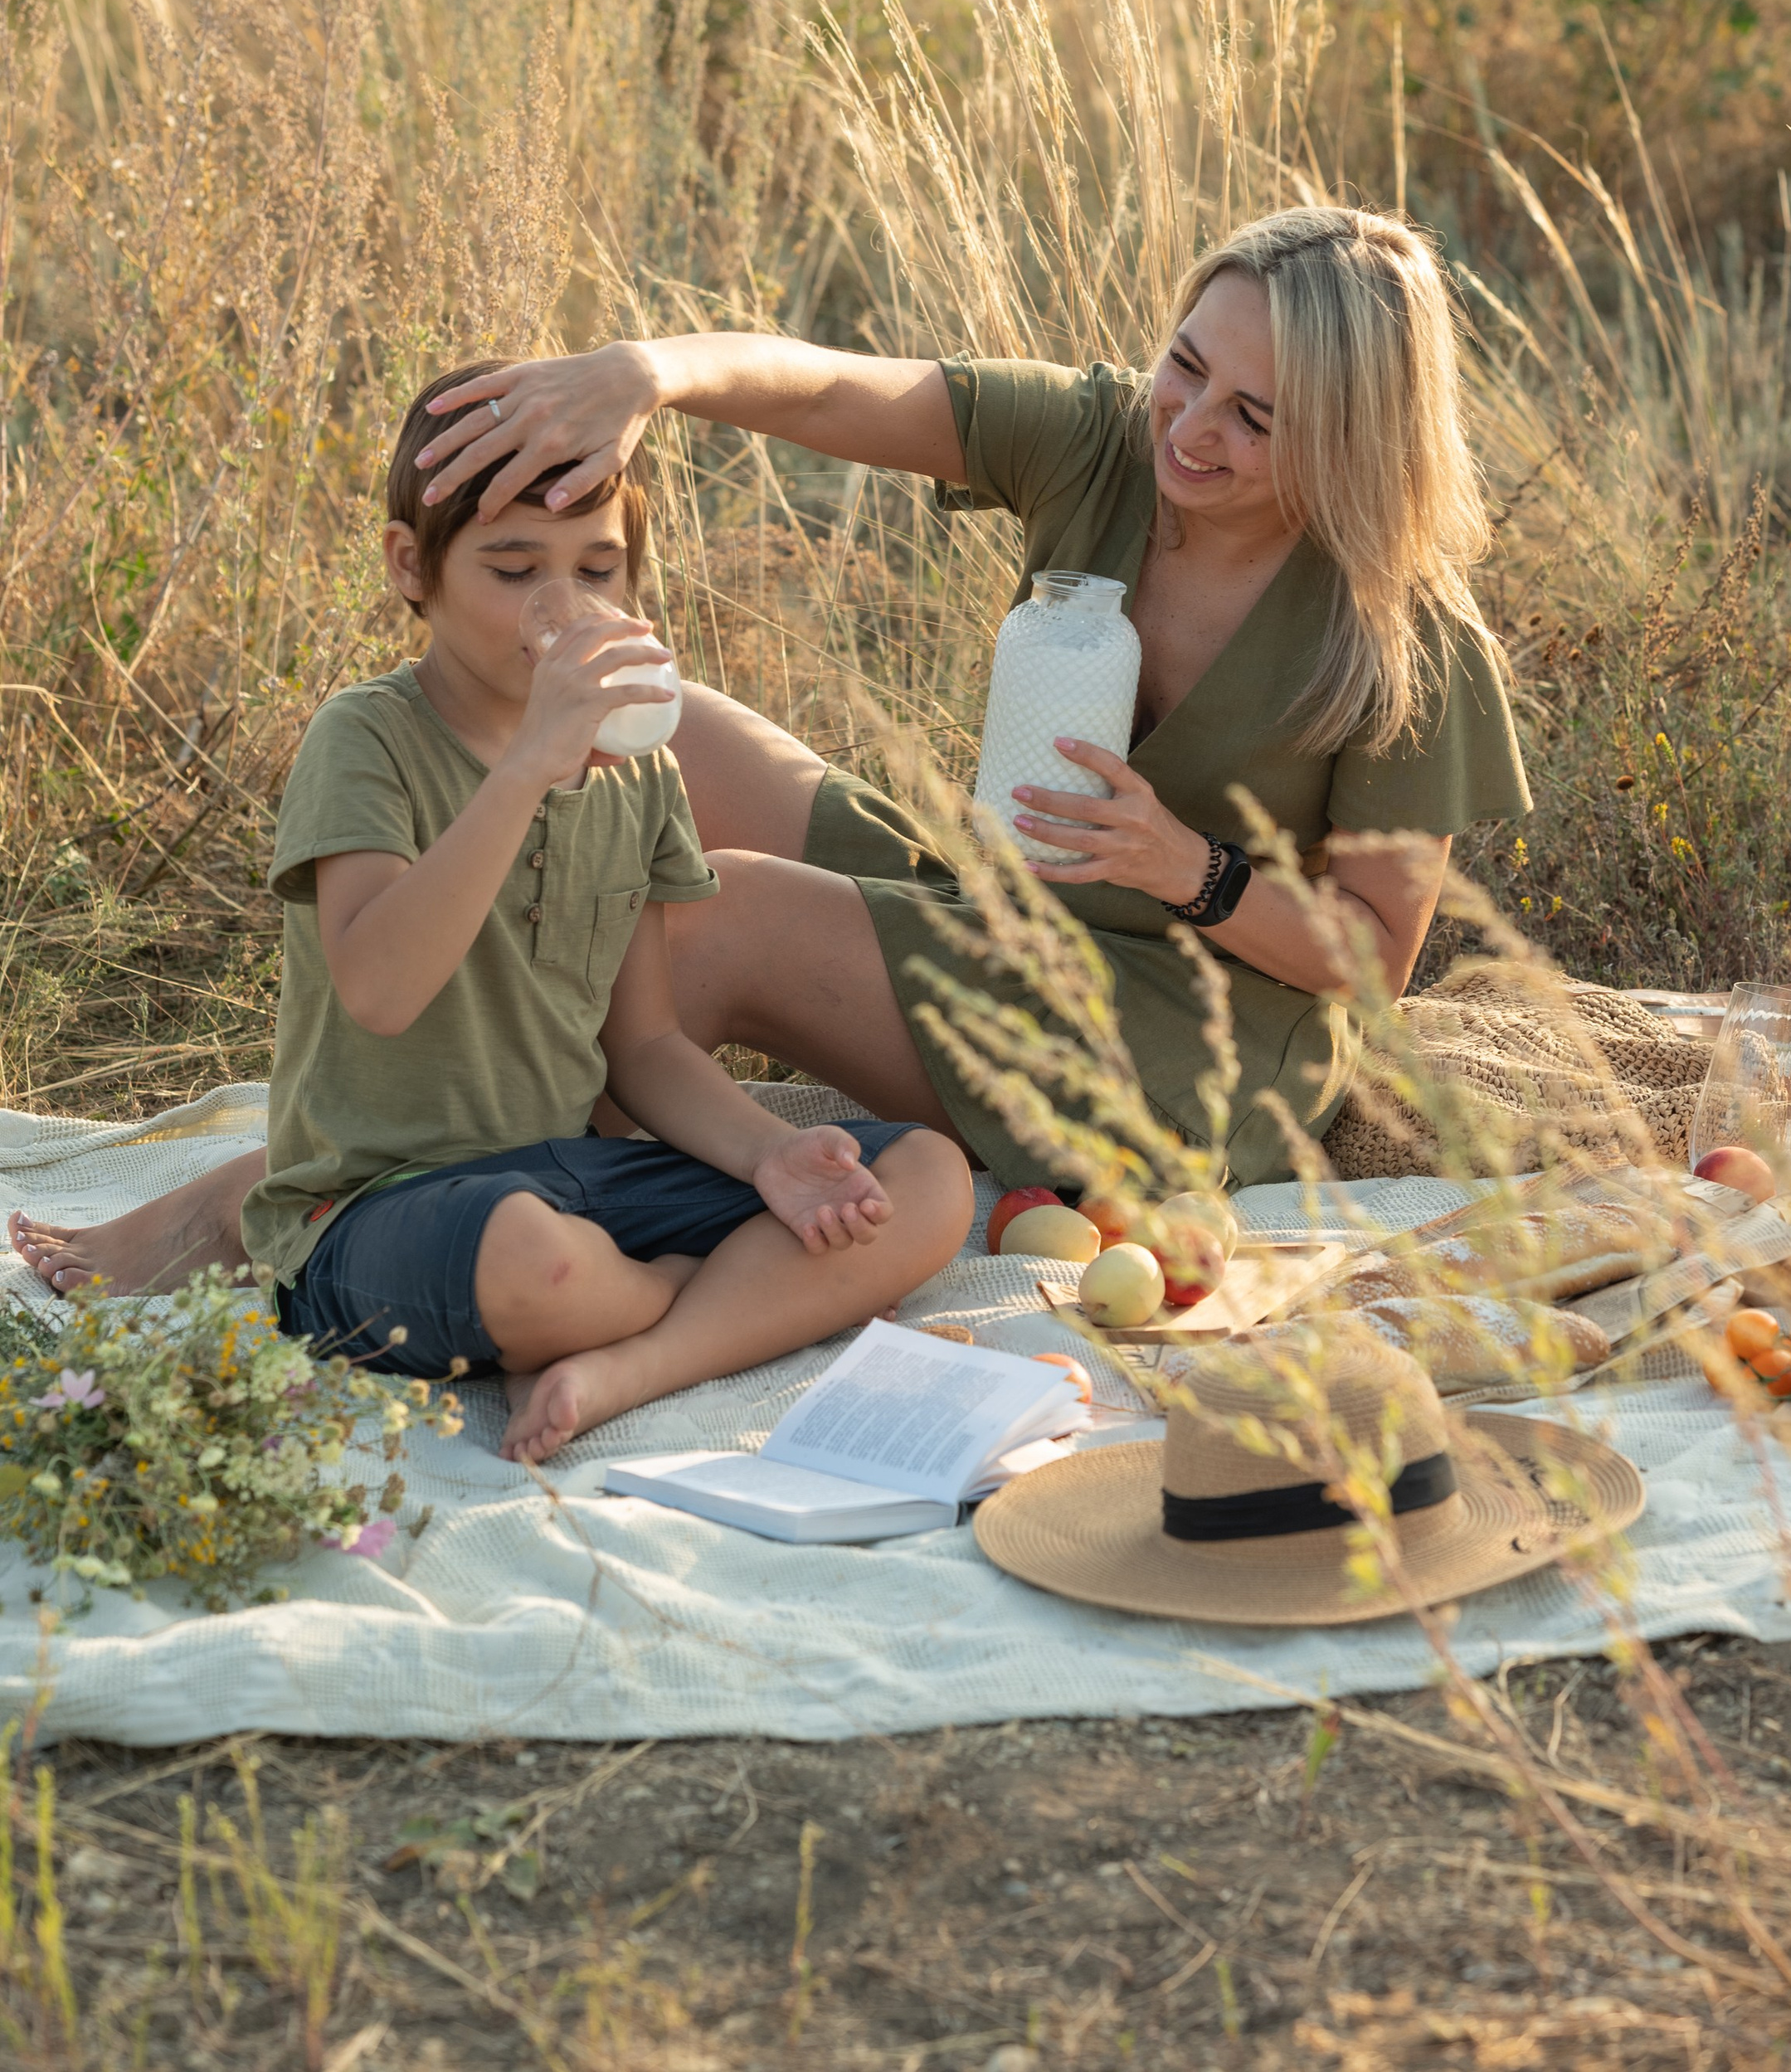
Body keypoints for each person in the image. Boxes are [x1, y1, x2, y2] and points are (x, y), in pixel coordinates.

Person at [13, 205, 1524, 1300]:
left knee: (704, 913)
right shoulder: (1101, 441)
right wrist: (648, 373)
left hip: (1187, 1037)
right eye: (1185, 364)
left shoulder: (1402, 637)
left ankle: (295, 1197)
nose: (1190, 426)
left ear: (1352, 434)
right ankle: (430, 1105)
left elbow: (1372, 961)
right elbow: (823, 386)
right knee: (683, 750)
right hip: (1014, 907)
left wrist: (1181, 867)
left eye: (1254, 415)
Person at [11, 368, 973, 1462]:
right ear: (411, 567)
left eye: (597, 569)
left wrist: (768, 1162)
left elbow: (646, 1045)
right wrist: (524, 770)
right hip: (374, 1209)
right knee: (537, 1265)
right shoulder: (367, 740)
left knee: (924, 1184)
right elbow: (378, 988)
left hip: (568, 1173)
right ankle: (719, 1299)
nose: (559, 602)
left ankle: (629, 1361)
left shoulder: (634, 773)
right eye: (515, 569)